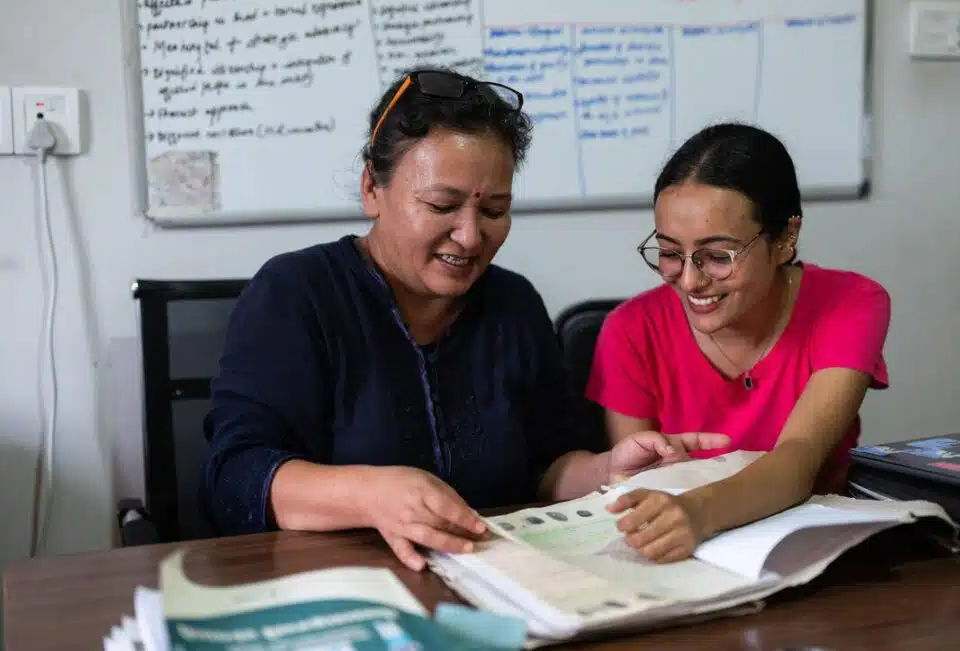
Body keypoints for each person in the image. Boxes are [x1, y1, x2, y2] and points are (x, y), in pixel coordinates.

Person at [200, 67, 726, 571]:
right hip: (336, 587)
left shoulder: (513, 304)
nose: (472, 237)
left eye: (494, 210)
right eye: (441, 205)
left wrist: (607, 471)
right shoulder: (296, 293)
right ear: (371, 190)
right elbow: (236, 477)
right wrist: (373, 494)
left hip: (496, 580)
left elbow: (547, 468)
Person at [587, 123, 891, 564]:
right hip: (684, 553)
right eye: (670, 252)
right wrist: (676, 516)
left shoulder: (851, 304)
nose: (689, 280)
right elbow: (642, 484)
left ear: (786, 238)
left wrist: (697, 512)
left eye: (718, 256)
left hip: (815, 551)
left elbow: (798, 460)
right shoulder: (629, 329)